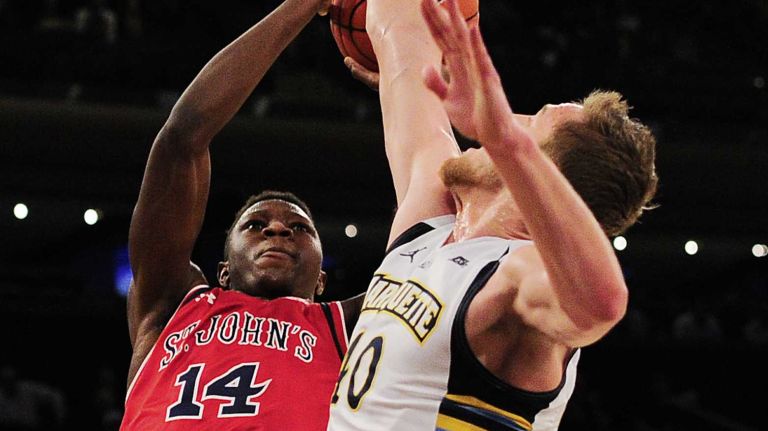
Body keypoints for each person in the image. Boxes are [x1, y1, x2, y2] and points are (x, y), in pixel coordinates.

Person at [328, 0, 657, 430]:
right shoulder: (430, 225)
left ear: (539, 174)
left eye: (528, 123)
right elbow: (404, 41)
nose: (505, 119)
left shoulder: (518, 274)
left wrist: (506, 142)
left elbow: (602, 304)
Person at [119, 0, 363, 429]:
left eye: (298, 228)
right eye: (255, 225)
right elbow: (182, 137)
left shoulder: (351, 327)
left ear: (322, 281)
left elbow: (444, 243)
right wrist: (302, 6)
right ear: (224, 272)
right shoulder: (172, 303)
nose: (277, 229)